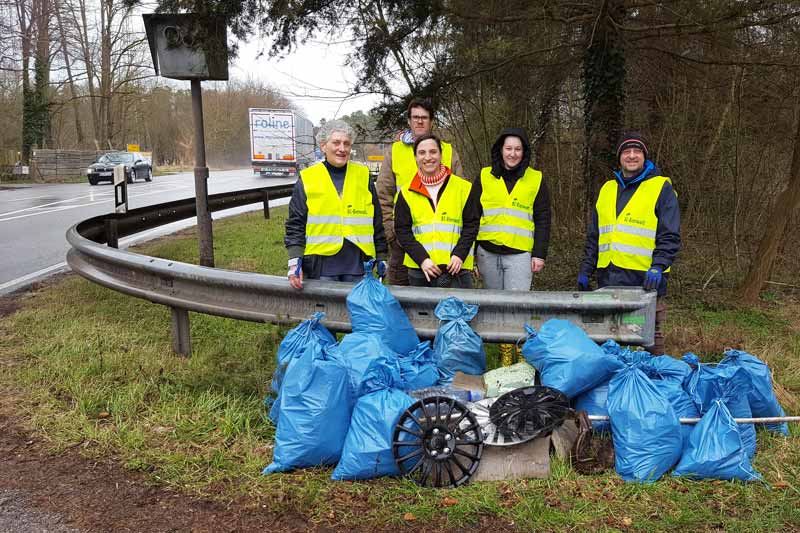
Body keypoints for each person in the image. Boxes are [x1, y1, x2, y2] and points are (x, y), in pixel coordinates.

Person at [577, 131, 680, 355]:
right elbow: (595, 236)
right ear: (619, 157)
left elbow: (669, 234)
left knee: (649, 337)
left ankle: (655, 383)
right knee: (610, 335)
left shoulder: (661, 188)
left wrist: (659, 265)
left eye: (637, 151)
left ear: (645, 156)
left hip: (645, 279)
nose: (631, 156)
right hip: (609, 277)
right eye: (626, 151)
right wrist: (586, 269)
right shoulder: (607, 190)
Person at [473, 128, 551, 365]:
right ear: (500, 150)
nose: (513, 154)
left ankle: (520, 352)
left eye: (518, 149)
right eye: (509, 148)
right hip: (487, 253)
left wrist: (539, 253)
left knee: (518, 306)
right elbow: (472, 217)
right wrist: (472, 256)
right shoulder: (485, 176)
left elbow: (543, 217)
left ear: (524, 152)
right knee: (495, 306)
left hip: (520, 255)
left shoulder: (535, 178)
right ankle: (503, 354)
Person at [284, 120, 387, 289]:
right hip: (321, 267)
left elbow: (376, 220)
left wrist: (382, 255)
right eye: (336, 143)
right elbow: (296, 223)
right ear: (323, 146)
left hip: (358, 266)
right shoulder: (309, 178)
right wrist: (295, 261)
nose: (342, 148)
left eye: (346, 143)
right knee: (327, 314)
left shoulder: (363, 175)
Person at [376, 98, 465, 286]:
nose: (419, 121)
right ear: (408, 121)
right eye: (415, 117)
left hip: (444, 244)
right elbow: (383, 195)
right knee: (402, 300)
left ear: (431, 121)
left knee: (443, 303)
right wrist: (392, 234)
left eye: (424, 117)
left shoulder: (448, 151)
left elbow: (463, 198)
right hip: (403, 241)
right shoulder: (395, 151)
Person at [394, 134, 480, 288]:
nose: (428, 157)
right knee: (422, 313)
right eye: (422, 153)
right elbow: (402, 231)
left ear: (441, 155)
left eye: (433, 152)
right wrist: (423, 260)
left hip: (457, 270)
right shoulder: (406, 193)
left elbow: (472, 225)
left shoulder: (464, 188)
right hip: (421, 270)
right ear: (415, 157)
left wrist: (459, 255)